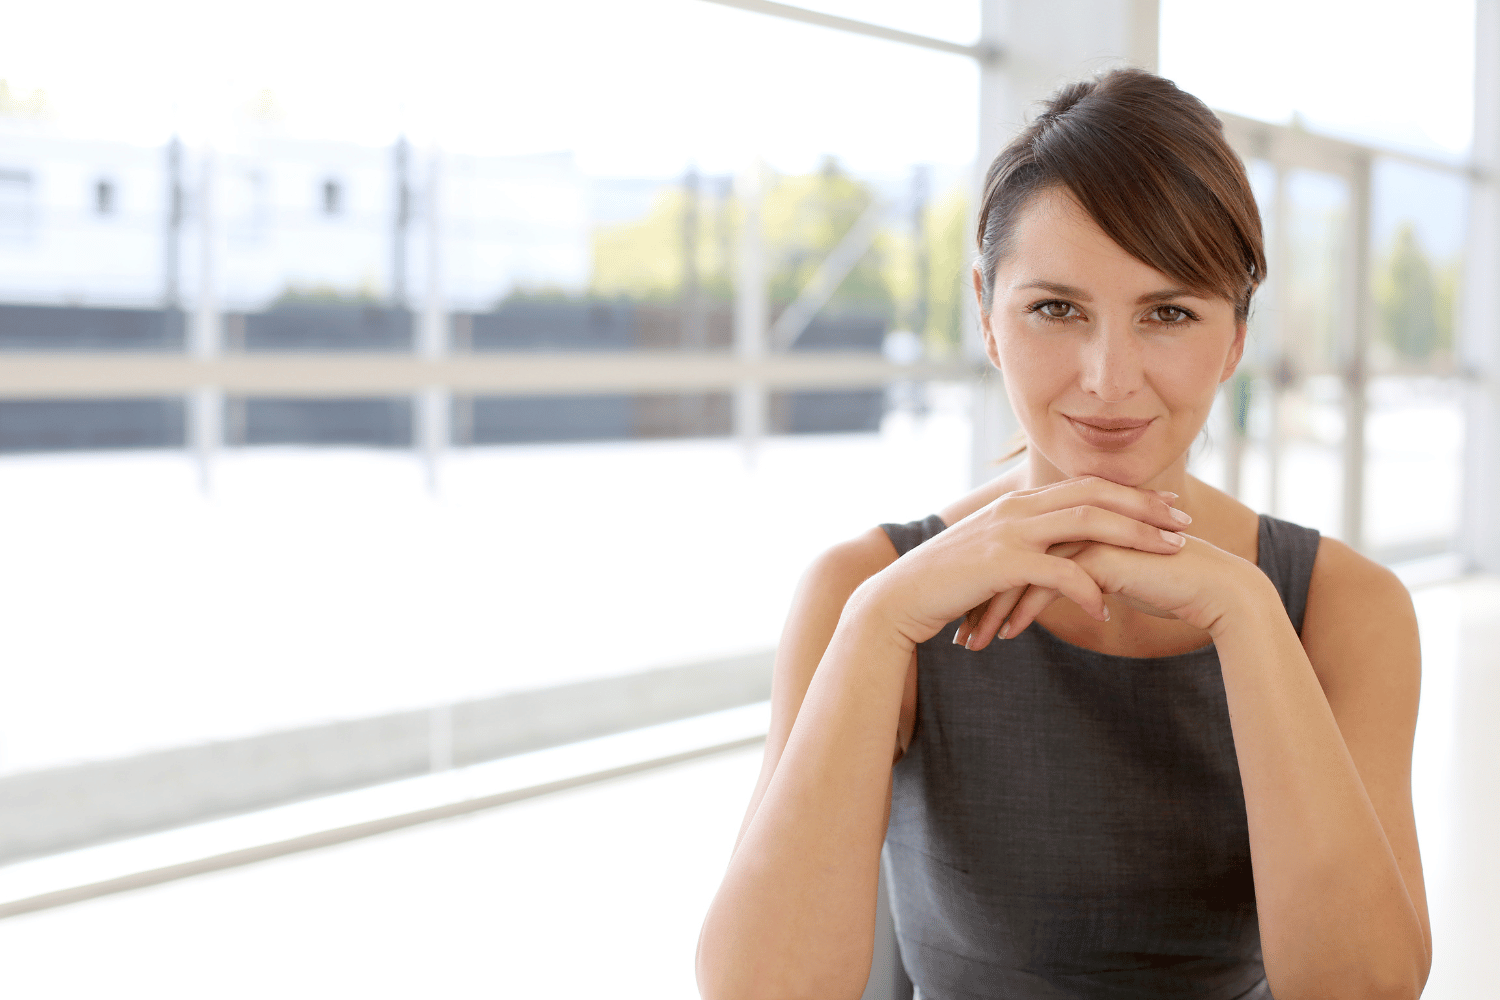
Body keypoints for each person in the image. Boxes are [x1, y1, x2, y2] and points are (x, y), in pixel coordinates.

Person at [696, 68, 1431, 1000]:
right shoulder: (864, 587)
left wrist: (1247, 615)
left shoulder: (1342, 606)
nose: (1107, 379)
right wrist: (878, 623)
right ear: (988, 319)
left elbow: (1365, 988)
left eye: (1168, 313)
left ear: (1236, 338)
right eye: (1055, 309)